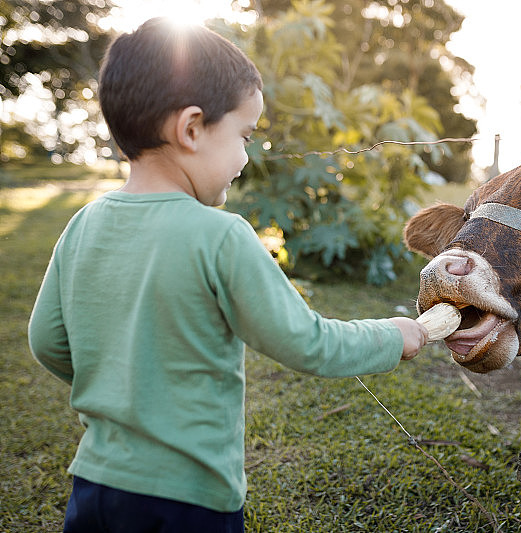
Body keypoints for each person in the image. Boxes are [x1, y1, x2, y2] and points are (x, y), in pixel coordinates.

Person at [27, 17, 428, 533]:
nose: (245, 157)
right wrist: (392, 335)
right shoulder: (221, 236)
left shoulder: (83, 224)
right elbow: (309, 343)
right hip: (189, 500)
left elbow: (46, 341)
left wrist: (122, 386)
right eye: (243, 136)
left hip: (97, 486)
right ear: (191, 129)